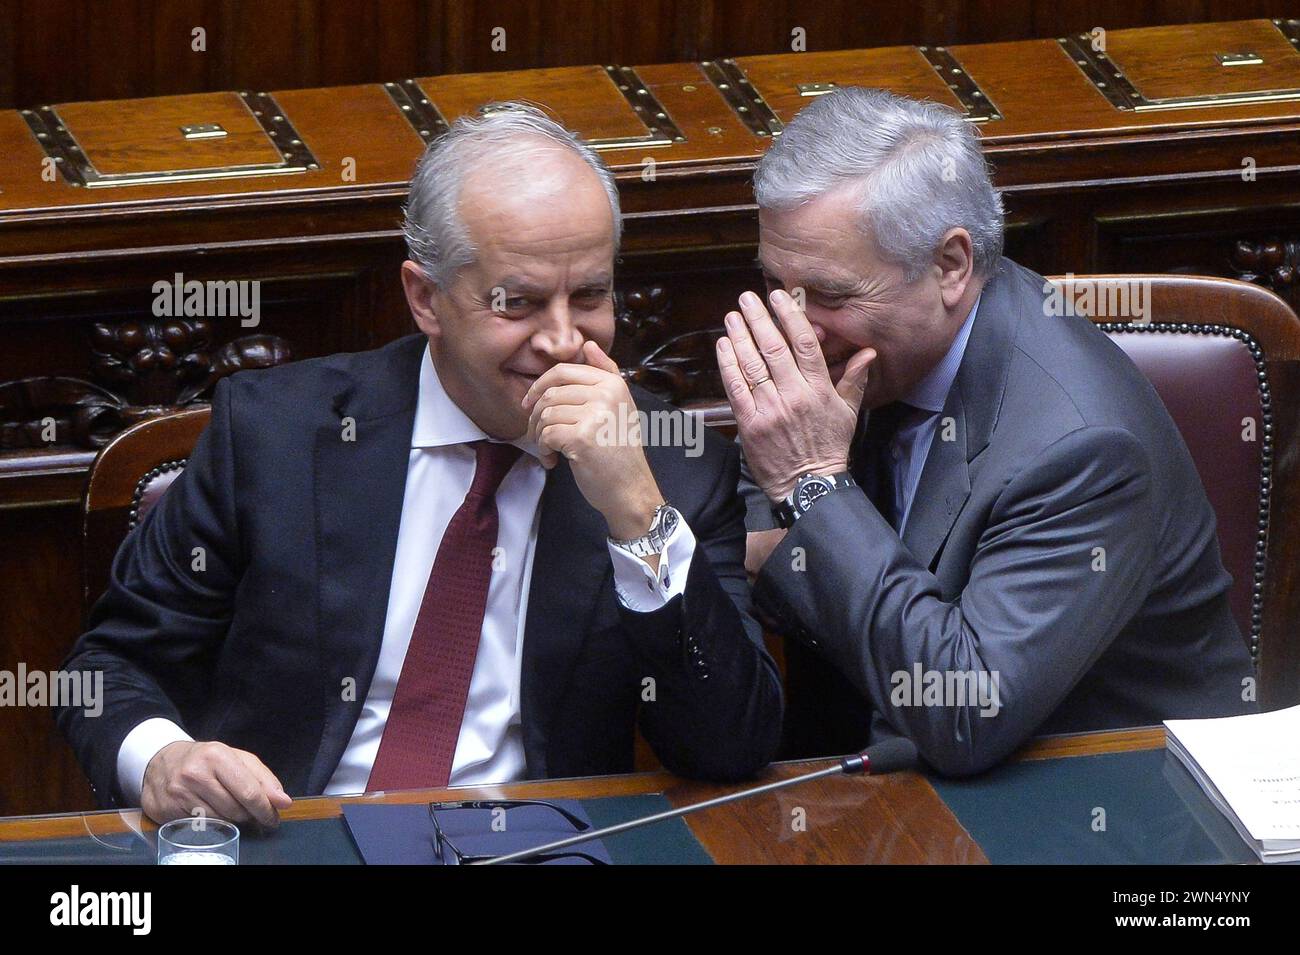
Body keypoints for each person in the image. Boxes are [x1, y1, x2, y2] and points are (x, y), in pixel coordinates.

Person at [56, 103, 782, 827]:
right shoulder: (275, 434)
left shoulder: (674, 471)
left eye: (589, 295)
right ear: (425, 297)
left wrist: (636, 514)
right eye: (519, 302)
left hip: (526, 844)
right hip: (295, 835)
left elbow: (728, 746)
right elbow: (111, 666)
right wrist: (161, 758)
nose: (562, 340)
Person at [717, 87, 1253, 776]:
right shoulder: (869, 346)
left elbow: (964, 710)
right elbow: (755, 508)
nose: (794, 327)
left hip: (1105, 808)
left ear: (950, 266)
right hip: (886, 781)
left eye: (828, 294)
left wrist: (813, 490)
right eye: (776, 285)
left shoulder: (1082, 449)